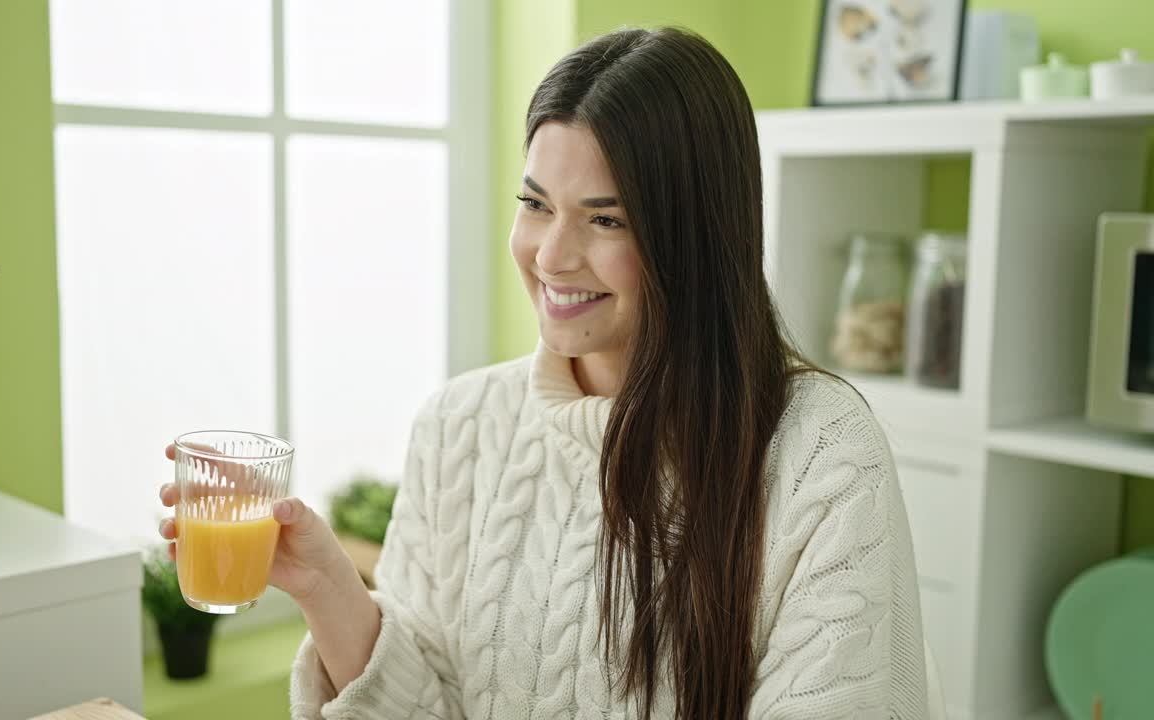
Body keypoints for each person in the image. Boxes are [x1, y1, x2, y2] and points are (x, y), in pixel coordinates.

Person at [159, 26, 930, 719]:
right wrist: (328, 584)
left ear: (695, 233)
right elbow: (426, 707)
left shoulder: (821, 452)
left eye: (605, 219)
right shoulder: (458, 425)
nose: (551, 255)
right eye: (535, 204)